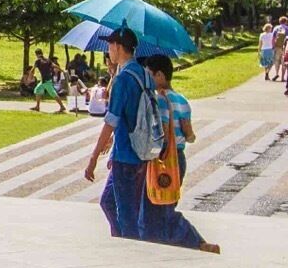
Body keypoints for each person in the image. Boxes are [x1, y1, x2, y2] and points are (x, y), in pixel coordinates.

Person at [82, 27, 217, 253]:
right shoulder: (143, 74)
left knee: (128, 216)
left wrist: (93, 157)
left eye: (110, 46)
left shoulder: (126, 78)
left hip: (127, 154)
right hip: (141, 152)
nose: (108, 51)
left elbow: (112, 119)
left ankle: (131, 257)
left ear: (117, 46)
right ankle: (123, 245)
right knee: (110, 202)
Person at [143, 53, 195, 186]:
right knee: (170, 201)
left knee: (157, 201)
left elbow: (163, 135)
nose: (146, 79)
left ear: (159, 75)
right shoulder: (182, 100)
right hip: (179, 158)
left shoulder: (160, 100)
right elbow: (190, 136)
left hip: (163, 158)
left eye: (149, 75)